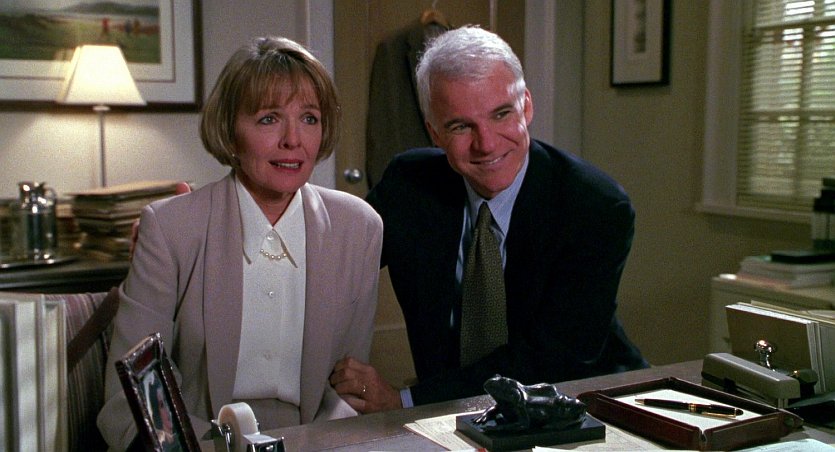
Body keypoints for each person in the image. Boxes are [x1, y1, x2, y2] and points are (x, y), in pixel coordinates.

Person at [330, 26, 647, 412]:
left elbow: (556, 358)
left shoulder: (593, 205)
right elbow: (334, 267)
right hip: (454, 415)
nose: (487, 144)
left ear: (526, 107)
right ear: (434, 133)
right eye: (461, 126)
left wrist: (404, 400)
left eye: (501, 114)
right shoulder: (409, 185)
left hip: (587, 405)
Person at [97, 36, 383, 449]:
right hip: (197, 443)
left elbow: (349, 388)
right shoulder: (171, 228)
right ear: (231, 132)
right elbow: (133, 401)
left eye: (309, 118)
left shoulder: (359, 228)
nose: (293, 140)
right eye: (269, 119)